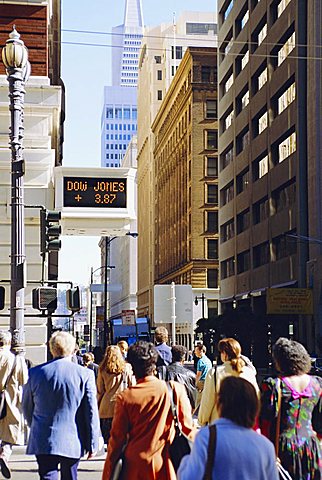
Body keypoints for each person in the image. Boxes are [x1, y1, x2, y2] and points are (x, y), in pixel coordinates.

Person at [102, 341, 195, 479]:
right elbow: (188, 429)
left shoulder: (126, 397)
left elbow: (116, 440)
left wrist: (108, 473)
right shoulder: (174, 390)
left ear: (132, 367)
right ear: (154, 365)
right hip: (165, 463)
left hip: (134, 467)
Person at [22, 331, 100, 480]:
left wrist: (36, 425)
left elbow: (26, 407)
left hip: (43, 436)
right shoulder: (84, 374)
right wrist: (92, 443)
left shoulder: (35, 373)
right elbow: (91, 411)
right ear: (72, 350)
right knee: (70, 476)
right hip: (73, 437)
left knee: (47, 475)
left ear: (52, 349)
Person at [178, 376, 279, 480]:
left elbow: (189, 477)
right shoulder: (266, 447)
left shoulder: (206, 438)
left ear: (220, 404)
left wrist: (186, 461)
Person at [260, 337, 322, 479]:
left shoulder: (274, 386)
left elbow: (266, 420)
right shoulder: (317, 384)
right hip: (310, 445)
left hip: (282, 448)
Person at [198, 337, 259, 426]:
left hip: (219, 426)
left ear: (225, 353)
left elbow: (207, 401)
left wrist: (202, 421)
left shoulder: (214, 373)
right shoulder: (249, 372)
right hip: (244, 425)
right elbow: (256, 399)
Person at [0, 330, 28, 479]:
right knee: (9, 433)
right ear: (8, 342)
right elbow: (24, 380)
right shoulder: (17, 360)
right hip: (10, 400)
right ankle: (4, 454)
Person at [97, 345, 135, 445]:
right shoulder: (126, 368)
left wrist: (97, 405)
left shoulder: (102, 369)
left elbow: (100, 390)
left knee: (109, 439)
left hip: (106, 408)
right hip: (123, 405)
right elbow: (132, 386)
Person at [158, 345, 197, 410]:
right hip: (182, 410)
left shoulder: (160, 371)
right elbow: (193, 401)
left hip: (164, 410)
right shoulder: (190, 375)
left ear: (171, 356)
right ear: (183, 358)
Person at [194, 344, 212, 411]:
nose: (195, 352)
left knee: (196, 402)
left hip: (201, 383)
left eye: (196, 350)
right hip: (208, 381)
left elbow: (199, 374)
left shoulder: (200, 361)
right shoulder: (208, 361)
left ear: (201, 351)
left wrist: (195, 383)